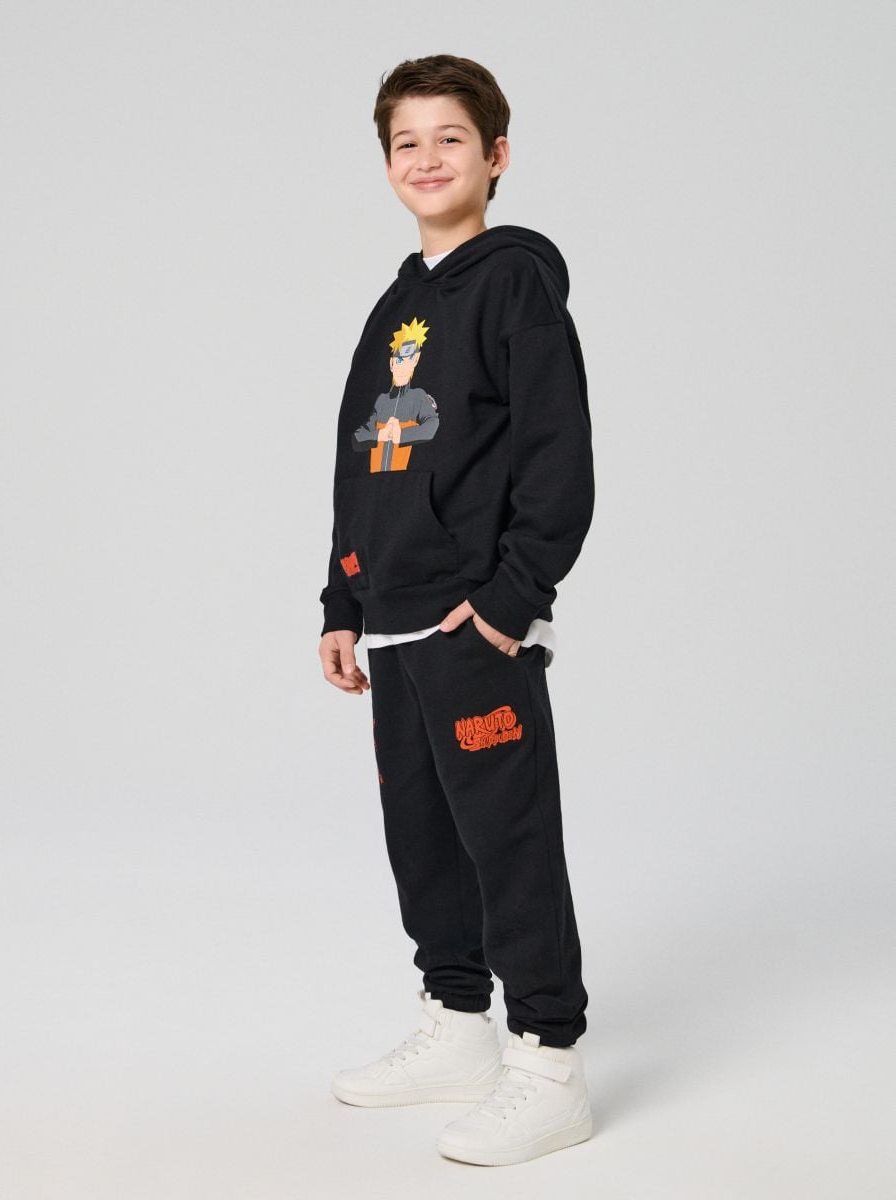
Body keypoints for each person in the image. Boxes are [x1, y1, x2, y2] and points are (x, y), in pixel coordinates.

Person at [317, 54, 596, 1167]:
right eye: (406, 142)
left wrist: (511, 600)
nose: (426, 159)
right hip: (393, 622)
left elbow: (557, 455)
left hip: (471, 622)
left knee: (507, 837)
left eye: (450, 138)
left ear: (497, 156)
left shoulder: (515, 283)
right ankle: (460, 1023)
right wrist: (342, 598)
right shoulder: (395, 307)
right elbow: (361, 463)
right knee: (425, 840)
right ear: (386, 163)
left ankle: (549, 1060)